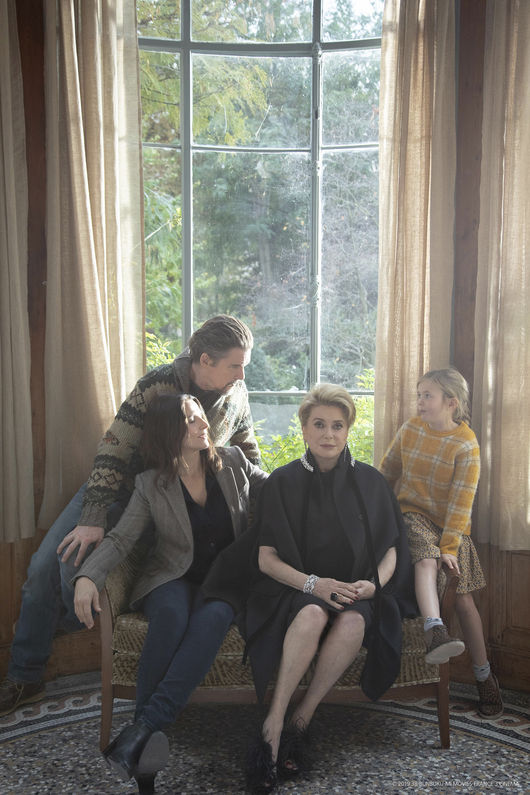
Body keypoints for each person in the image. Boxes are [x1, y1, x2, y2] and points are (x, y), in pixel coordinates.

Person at [0, 315, 260, 717]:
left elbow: (247, 449)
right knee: (46, 566)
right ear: (206, 360)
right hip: (118, 489)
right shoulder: (156, 385)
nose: (243, 374)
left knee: (103, 575)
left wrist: (269, 505)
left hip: (173, 500)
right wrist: (93, 516)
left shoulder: (235, 392)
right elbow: (114, 449)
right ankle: (25, 674)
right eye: (236, 365)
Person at [74, 393, 267, 794]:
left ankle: (142, 730)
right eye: (192, 420)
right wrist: (87, 577)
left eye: (201, 417)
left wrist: (319, 474)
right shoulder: (150, 484)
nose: (204, 425)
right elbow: (121, 538)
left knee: (215, 617)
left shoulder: (233, 462)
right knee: (171, 616)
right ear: (169, 431)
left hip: (226, 580)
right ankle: (144, 747)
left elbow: (278, 487)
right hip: (171, 577)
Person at [243, 384, 415, 793]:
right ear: (304, 429)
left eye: (338, 426)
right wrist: (313, 585)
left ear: (347, 430)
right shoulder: (282, 482)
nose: (329, 434)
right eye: (319, 424)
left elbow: (392, 548)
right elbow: (266, 559)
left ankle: (302, 720)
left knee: (354, 623)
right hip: (298, 587)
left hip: (356, 589)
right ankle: (274, 723)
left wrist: (373, 585)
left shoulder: (371, 481)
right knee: (312, 614)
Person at [379, 367, 503, 718]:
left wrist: (450, 548)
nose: (419, 402)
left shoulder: (466, 444)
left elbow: (461, 504)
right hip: (412, 516)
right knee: (426, 560)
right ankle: (435, 629)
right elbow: (386, 473)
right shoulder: (410, 429)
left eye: (427, 396)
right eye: (418, 394)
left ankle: (484, 677)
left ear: (451, 402)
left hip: (451, 527)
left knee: (463, 600)